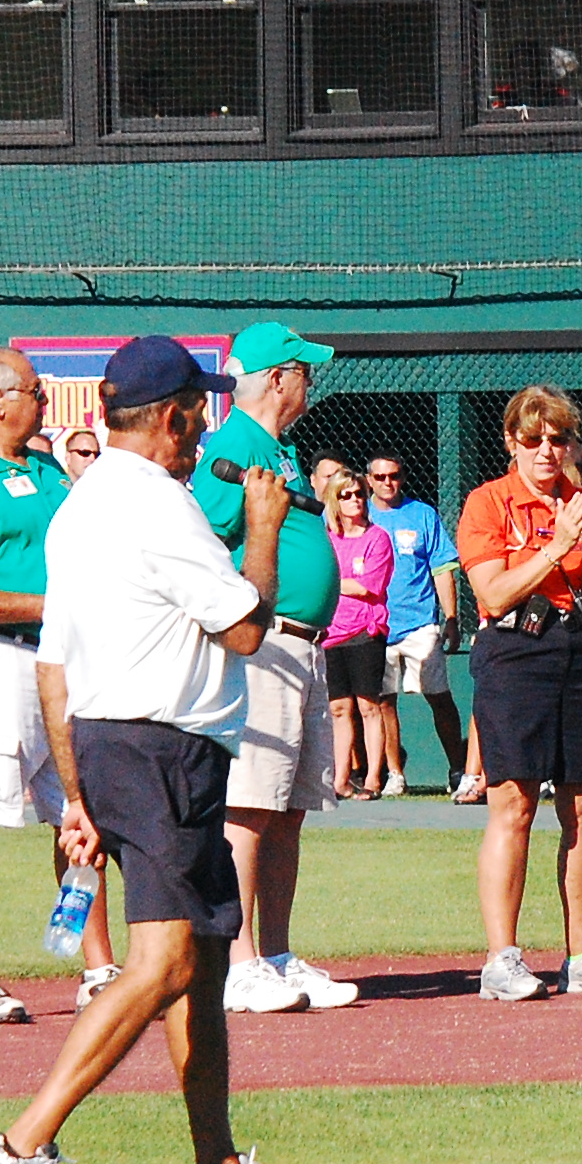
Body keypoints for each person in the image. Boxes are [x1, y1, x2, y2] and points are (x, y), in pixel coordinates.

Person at [0, 335, 321, 1164]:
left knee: (204, 958)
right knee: (165, 962)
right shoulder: (160, 504)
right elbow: (245, 628)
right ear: (172, 417)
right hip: (160, 752)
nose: (203, 425)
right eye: (196, 408)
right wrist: (264, 528)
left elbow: (55, 666)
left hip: (121, 748)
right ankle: (21, 1145)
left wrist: (79, 796)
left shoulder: (79, 504)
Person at [0, 347, 114, 1025]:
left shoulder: (43, 468)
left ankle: (100, 970)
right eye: (35, 390)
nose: (44, 400)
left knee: (80, 814)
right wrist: (50, 606)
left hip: (61, 663)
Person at [457, 385, 582, 1002]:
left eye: (557, 439)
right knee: (513, 804)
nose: (545, 450)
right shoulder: (488, 503)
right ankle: (501, 959)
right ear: (511, 441)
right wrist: (556, 546)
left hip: (580, 648)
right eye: (533, 439)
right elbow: (493, 592)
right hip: (515, 650)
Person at [197, 323, 355, 1018]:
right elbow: (206, 540)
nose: (309, 383)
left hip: (303, 648)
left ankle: (279, 956)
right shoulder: (233, 447)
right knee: (250, 806)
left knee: (287, 810)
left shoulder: (276, 448)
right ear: (274, 378)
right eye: (302, 370)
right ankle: (238, 964)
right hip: (261, 646)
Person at [366, 452, 473, 802]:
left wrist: (451, 618)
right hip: (376, 626)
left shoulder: (422, 514)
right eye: (380, 477)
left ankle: (457, 770)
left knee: (439, 698)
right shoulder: (357, 513)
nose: (388, 483)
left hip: (420, 624)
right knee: (383, 702)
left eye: (394, 475)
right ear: (368, 480)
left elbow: (442, 568)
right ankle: (395, 774)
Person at [320, 465, 395, 800]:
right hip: (330, 632)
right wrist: (339, 583)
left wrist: (333, 582)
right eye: (346, 495)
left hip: (366, 632)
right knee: (339, 708)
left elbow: (369, 587)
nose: (355, 500)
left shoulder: (377, 538)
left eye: (359, 494)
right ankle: (340, 779)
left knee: (368, 706)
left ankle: (373, 778)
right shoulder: (327, 539)